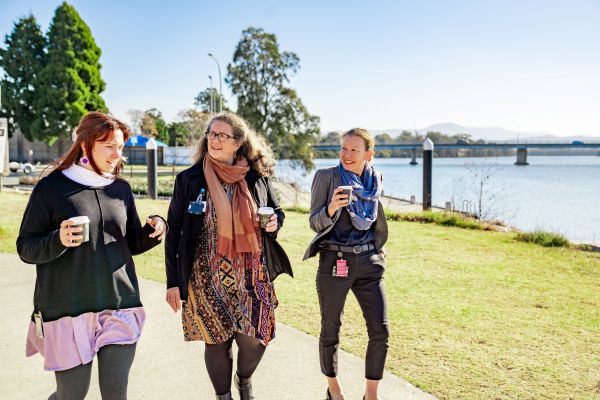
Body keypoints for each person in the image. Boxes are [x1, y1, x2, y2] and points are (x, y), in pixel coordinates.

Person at [17, 111, 167, 400]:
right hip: (65, 309)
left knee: (115, 393)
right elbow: (26, 247)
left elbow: (130, 242)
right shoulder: (52, 188)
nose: (116, 154)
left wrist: (155, 228)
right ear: (86, 145)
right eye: (109, 146)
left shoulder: (121, 189)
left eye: (120, 147)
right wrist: (57, 239)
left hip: (119, 304)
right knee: (71, 394)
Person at [165, 112, 287, 400]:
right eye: (211, 134)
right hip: (205, 275)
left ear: (238, 142)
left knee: (255, 336)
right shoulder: (189, 179)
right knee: (216, 341)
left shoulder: (257, 176)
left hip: (252, 272)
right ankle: (224, 396)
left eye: (222, 135)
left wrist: (274, 223)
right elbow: (175, 232)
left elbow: (277, 211)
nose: (215, 139)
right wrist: (173, 281)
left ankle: (243, 380)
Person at [303, 128, 389, 400]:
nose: (347, 154)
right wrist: (330, 208)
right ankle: (334, 390)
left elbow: (375, 220)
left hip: (369, 263)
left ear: (369, 155)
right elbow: (314, 222)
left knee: (380, 330)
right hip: (334, 262)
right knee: (331, 328)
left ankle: (371, 395)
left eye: (354, 149)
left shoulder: (374, 180)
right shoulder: (326, 177)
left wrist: (377, 250)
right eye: (343, 148)